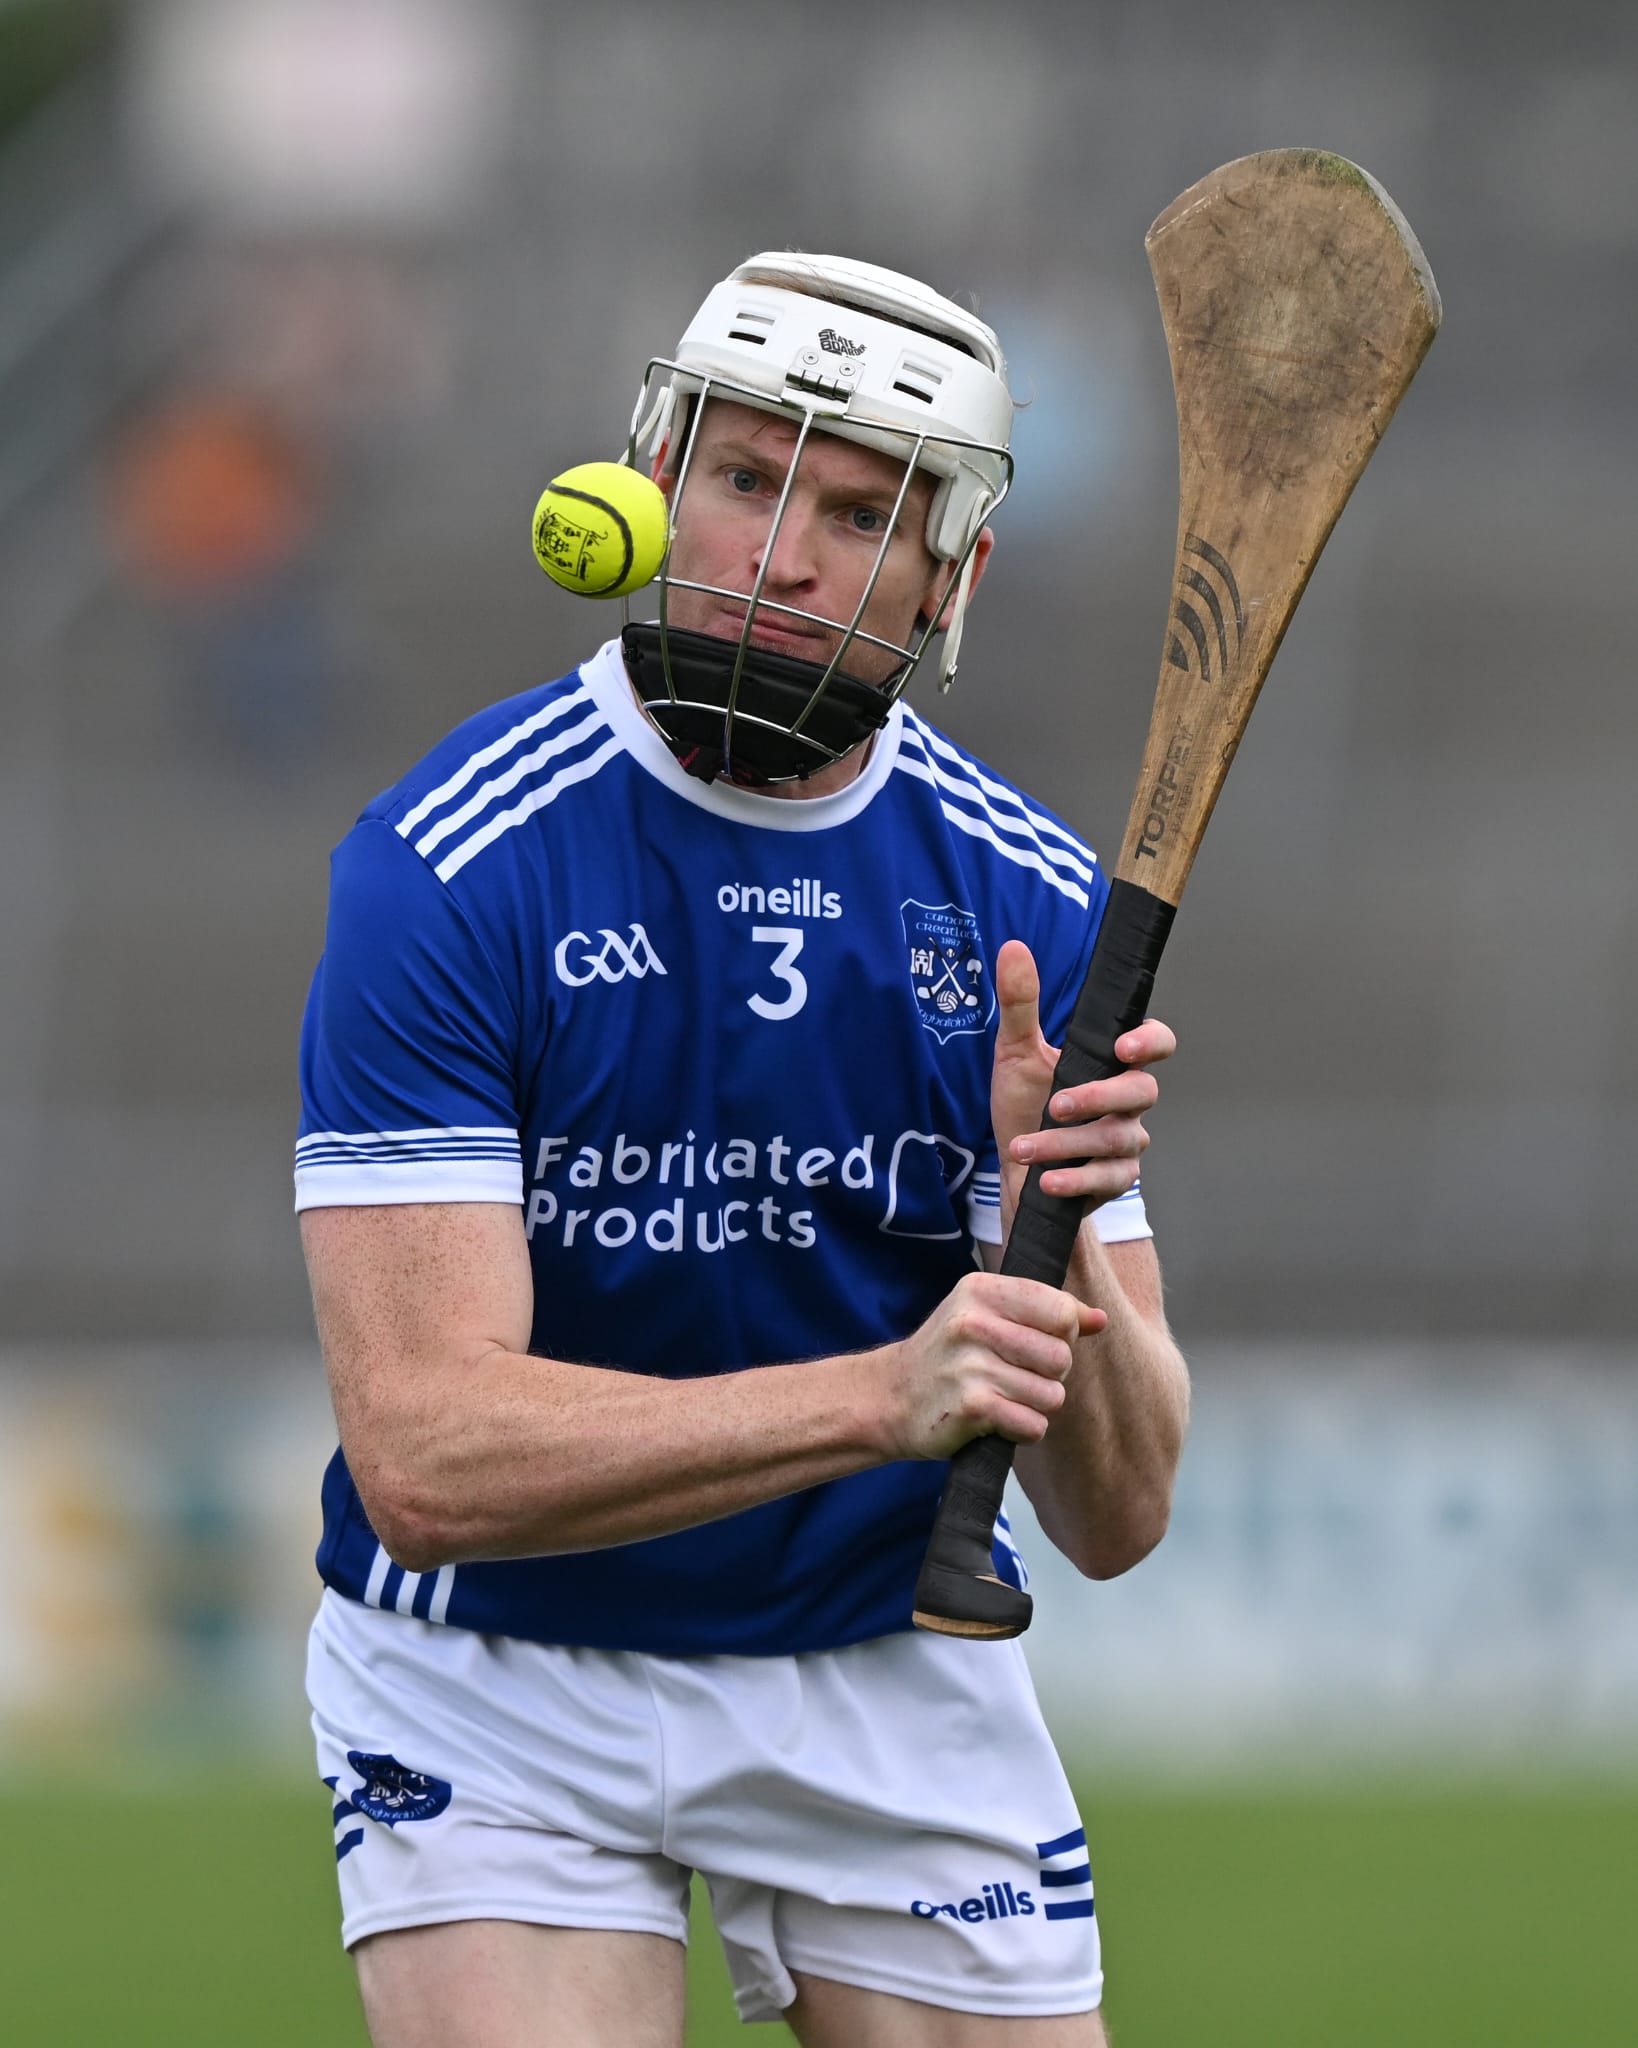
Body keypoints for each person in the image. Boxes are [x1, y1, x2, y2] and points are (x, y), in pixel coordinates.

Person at [297, 252, 1190, 2047]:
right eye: (743, 477)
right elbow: (426, 1459)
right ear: (652, 480)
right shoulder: (454, 865)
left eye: (859, 515)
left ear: (951, 578)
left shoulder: (1026, 901)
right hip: (498, 1677)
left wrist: (1055, 1215)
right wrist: (881, 1398)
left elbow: (1115, 1515)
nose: (782, 554)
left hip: (884, 1659)